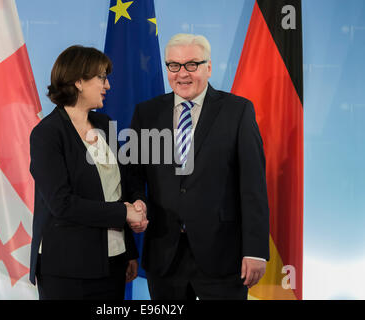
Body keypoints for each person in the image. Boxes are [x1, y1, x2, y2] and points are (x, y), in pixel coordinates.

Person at [128, 33, 270, 300]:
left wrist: (255, 249)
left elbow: (253, 186)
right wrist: (137, 200)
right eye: (174, 65)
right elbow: (134, 175)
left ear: (209, 67)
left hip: (223, 256)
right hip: (164, 255)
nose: (182, 74)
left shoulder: (237, 111)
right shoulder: (146, 112)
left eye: (192, 64)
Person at [29, 45, 147, 300]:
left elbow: (122, 182)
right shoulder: (47, 134)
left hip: (114, 264)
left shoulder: (104, 124)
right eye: (102, 78)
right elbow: (62, 204)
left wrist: (137, 207)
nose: (108, 86)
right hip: (67, 270)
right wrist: (123, 212)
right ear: (79, 81)